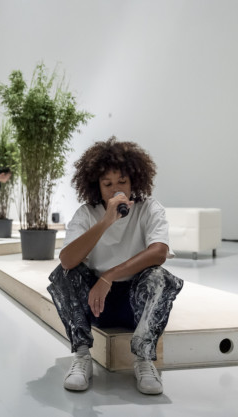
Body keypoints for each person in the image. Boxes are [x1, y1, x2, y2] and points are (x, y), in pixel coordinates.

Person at [46, 137, 183, 395]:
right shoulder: (86, 213)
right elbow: (67, 260)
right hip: (96, 304)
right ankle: (82, 357)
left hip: (134, 303)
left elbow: (159, 252)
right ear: (96, 186)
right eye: (107, 184)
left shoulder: (149, 209)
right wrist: (106, 221)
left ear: (135, 181)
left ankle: (143, 361)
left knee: (160, 277)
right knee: (64, 274)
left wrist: (109, 276)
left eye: (122, 182)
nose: (115, 189)